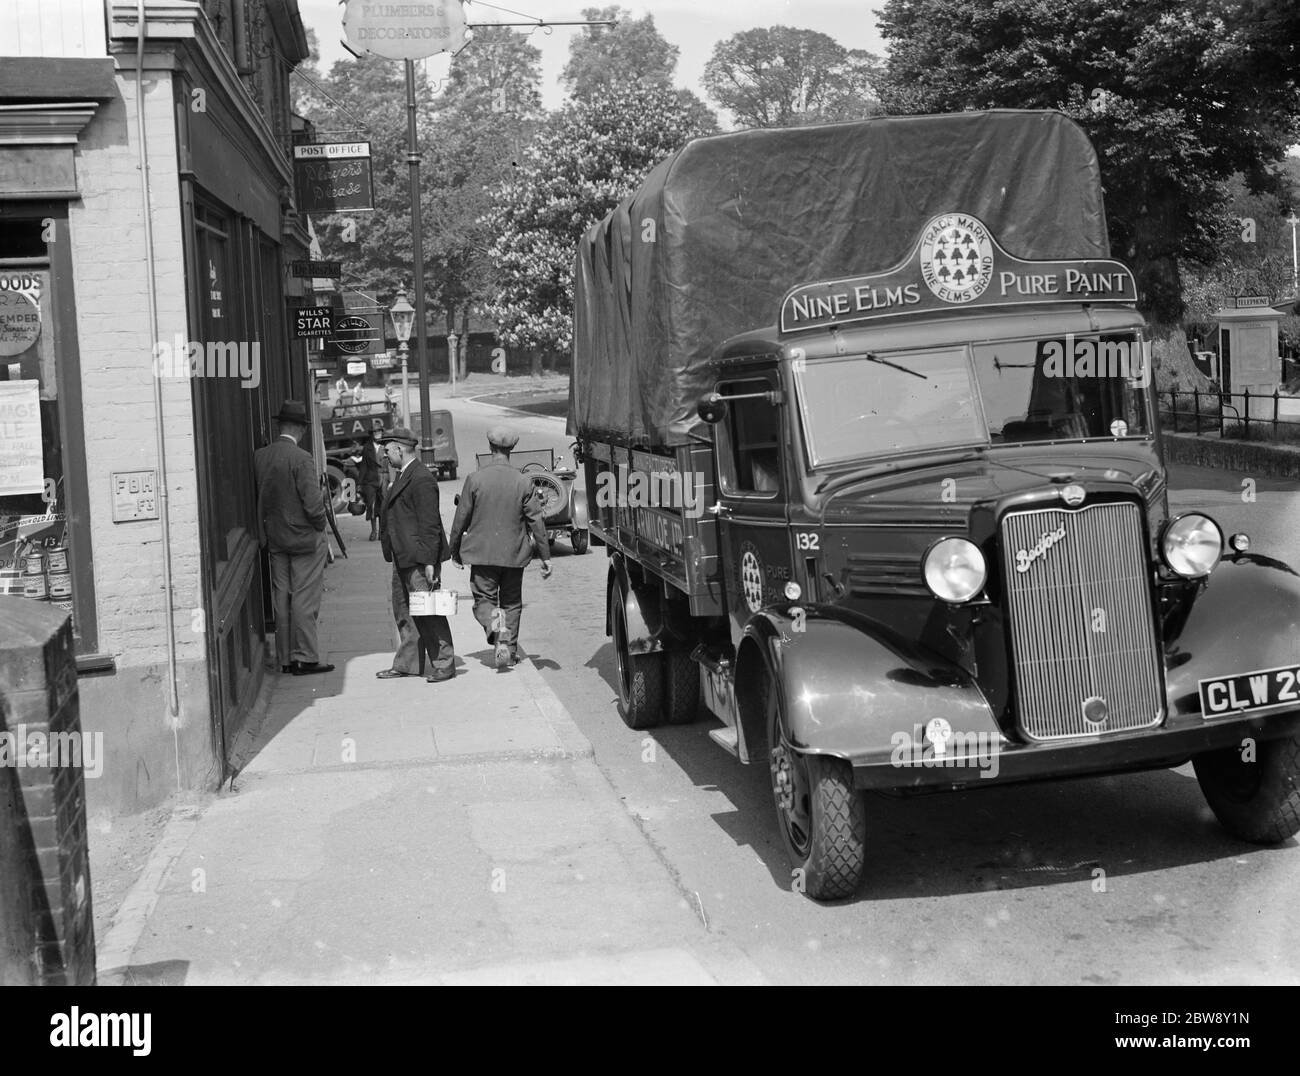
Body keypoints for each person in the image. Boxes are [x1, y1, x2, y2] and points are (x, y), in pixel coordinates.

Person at [448, 426, 551, 670]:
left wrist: (454, 550)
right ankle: (509, 649)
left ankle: (498, 634)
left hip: (482, 554)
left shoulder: (475, 479)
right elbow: (536, 520)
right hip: (514, 554)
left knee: (484, 600)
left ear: (490, 448)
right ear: (511, 449)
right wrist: (545, 556)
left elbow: (461, 517)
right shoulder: (523, 481)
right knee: (512, 603)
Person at [253, 400, 334, 676]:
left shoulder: (261, 456)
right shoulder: (302, 459)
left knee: (281, 598)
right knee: (304, 597)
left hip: (275, 538)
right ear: (300, 429)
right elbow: (313, 505)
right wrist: (321, 526)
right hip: (304, 540)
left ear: (280, 426)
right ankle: (306, 657)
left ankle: (285, 658)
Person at [376, 426, 456, 682]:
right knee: (404, 612)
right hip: (403, 555)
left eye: (387, 450)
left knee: (428, 612)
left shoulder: (421, 478)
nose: (385, 455)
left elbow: (430, 523)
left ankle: (444, 663)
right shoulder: (402, 475)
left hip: (420, 559)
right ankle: (407, 663)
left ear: (400, 449)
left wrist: (430, 563)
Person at [356, 428, 383, 540]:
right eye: (375, 432)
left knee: (382, 506)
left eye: (379, 431)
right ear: (372, 434)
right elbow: (363, 466)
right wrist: (359, 483)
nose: (377, 433)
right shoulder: (367, 448)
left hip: (384, 479)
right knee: (371, 505)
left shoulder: (386, 446)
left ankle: (382, 531)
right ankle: (373, 531)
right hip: (370, 480)